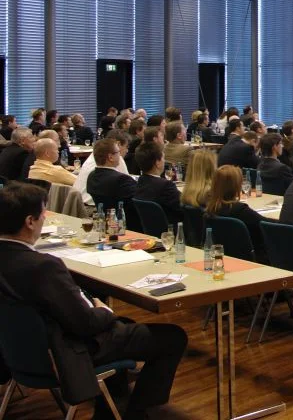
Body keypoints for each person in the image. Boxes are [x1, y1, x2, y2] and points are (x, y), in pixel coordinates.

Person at [0, 182, 187, 419]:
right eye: (43, 215)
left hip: (18, 352)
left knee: (126, 325)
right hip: (61, 353)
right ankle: (136, 412)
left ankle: (111, 407)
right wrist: (104, 310)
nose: (44, 220)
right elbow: (86, 324)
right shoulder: (43, 267)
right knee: (172, 337)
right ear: (30, 221)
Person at [205, 166, 266, 260]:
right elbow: (266, 224)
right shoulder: (241, 210)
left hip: (223, 256)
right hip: (253, 258)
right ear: (236, 186)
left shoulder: (210, 210)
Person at [74, 130, 129, 205]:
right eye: (126, 147)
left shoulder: (95, 155)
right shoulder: (114, 158)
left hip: (78, 204)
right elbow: (128, 185)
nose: (127, 151)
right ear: (118, 144)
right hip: (93, 207)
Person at [134, 141, 183, 225]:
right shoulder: (166, 186)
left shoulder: (140, 182)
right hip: (172, 229)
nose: (164, 161)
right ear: (157, 163)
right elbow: (183, 207)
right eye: (163, 158)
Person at [86, 138, 138, 215]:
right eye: (118, 152)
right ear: (110, 157)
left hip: (104, 217)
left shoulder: (91, 176)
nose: (120, 155)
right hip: (125, 219)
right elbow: (138, 201)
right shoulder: (122, 180)